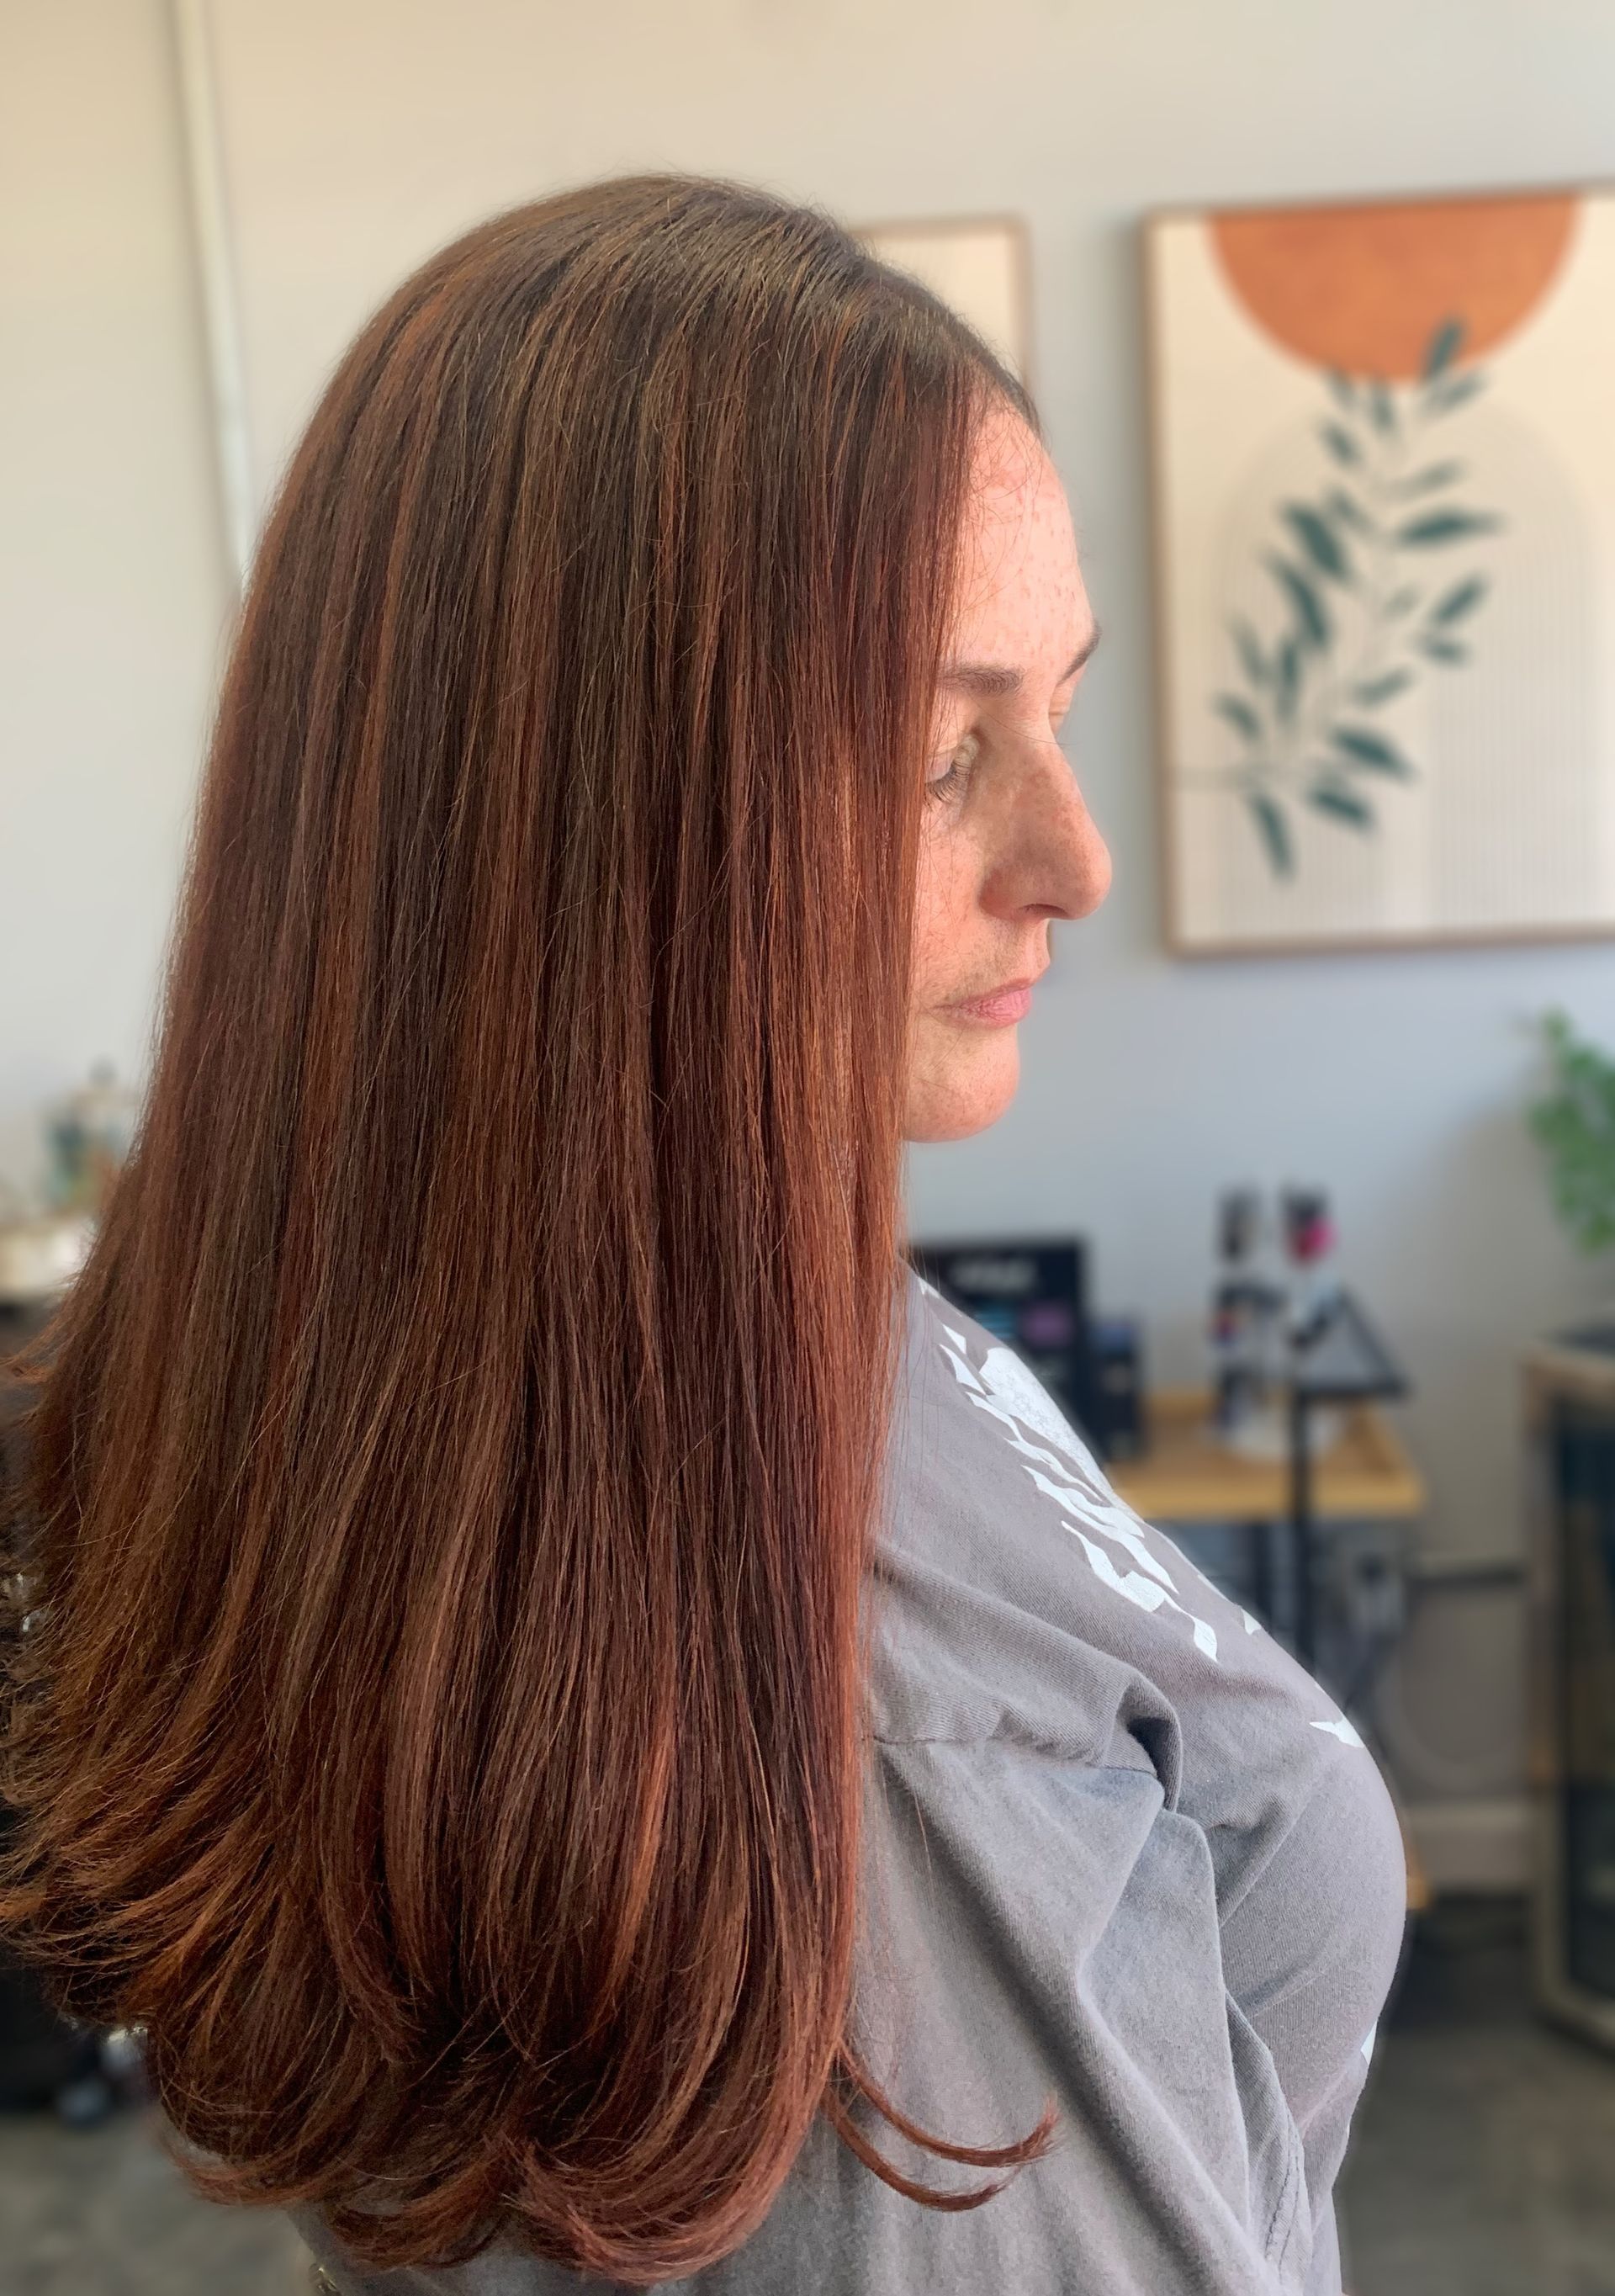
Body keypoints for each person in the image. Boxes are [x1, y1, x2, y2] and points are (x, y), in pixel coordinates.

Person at [0, 173, 1406, 2294]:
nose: (1076, 854)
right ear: (606, 838)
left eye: (1057, 705)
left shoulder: (657, 1337)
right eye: (945, 752)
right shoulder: (814, 1733)